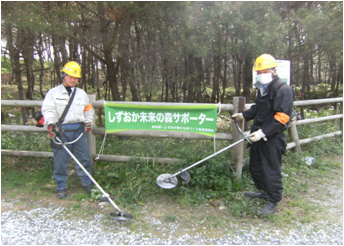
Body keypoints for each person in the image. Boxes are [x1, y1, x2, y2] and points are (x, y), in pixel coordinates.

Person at [232, 54, 294, 215]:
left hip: (272, 138)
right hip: (257, 135)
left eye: (264, 71)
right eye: (258, 71)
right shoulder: (263, 88)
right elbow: (258, 109)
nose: (261, 74)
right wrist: (243, 115)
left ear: (273, 70)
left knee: (270, 169)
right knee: (256, 166)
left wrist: (263, 132)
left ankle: (273, 200)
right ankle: (263, 191)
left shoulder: (284, 90)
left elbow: (282, 117)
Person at [42, 61, 94, 199]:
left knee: (83, 158)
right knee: (61, 161)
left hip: (79, 131)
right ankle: (61, 186)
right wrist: (51, 124)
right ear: (63, 75)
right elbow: (48, 110)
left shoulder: (82, 94)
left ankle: (86, 183)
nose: (73, 80)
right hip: (61, 131)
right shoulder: (53, 93)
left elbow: (88, 110)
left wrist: (89, 122)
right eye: (70, 76)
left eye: (76, 78)